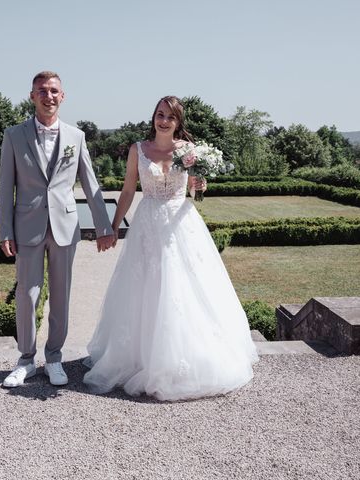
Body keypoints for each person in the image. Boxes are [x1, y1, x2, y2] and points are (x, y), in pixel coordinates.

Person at [83, 96, 258, 401]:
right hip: (147, 225)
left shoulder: (189, 151)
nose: (163, 121)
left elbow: (194, 190)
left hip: (181, 224)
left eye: (170, 118)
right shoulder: (138, 150)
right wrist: (113, 226)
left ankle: (184, 359)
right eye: (159, 115)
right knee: (145, 288)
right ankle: (141, 357)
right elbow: (127, 190)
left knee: (186, 287)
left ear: (178, 122)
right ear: (154, 117)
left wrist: (200, 187)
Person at [0, 71, 115, 388]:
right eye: (42, 91)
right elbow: (5, 186)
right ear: (32, 96)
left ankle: (54, 358)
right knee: (27, 294)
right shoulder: (13, 135)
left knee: (61, 296)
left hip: (65, 226)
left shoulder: (76, 137)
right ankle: (25, 360)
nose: (48, 96)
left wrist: (104, 225)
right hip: (27, 226)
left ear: (62, 96)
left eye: (53, 91)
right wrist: (4, 230)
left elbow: (90, 184)